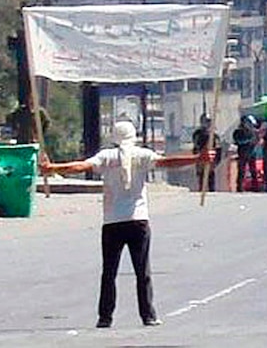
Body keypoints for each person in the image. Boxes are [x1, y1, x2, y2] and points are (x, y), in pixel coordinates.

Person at [40, 120, 215, 329]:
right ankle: (148, 316)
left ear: (114, 137)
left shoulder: (106, 156)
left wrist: (52, 169)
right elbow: (168, 162)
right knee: (143, 272)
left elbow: (80, 166)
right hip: (138, 221)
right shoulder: (142, 155)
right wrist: (198, 158)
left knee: (109, 272)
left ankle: (105, 317)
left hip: (113, 222)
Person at [192, 113, 219, 192]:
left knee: (211, 178)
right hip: (201, 158)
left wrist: (216, 160)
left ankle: (212, 192)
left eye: (209, 121)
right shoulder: (198, 133)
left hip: (211, 159)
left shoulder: (214, 135)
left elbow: (217, 148)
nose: (207, 123)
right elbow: (196, 146)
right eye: (206, 121)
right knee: (202, 178)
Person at [232, 115, 259, 193]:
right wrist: (247, 140)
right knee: (241, 171)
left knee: (253, 170)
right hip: (242, 153)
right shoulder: (238, 132)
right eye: (248, 123)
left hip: (252, 153)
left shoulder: (254, 132)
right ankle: (239, 187)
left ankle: (255, 186)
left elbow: (256, 141)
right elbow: (237, 141)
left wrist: (254, 143)